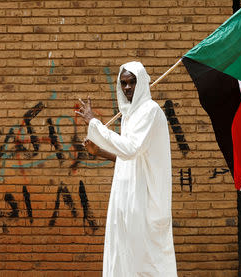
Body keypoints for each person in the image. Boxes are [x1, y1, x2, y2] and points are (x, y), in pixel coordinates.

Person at [76, 61, 177, 276]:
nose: (127, 88)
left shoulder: (150, 111)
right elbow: (130, 160)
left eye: (132, 82)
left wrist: (94, 124)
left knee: (146, 263)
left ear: (141, 83)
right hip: (125, 200)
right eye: (123, 83)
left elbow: (131, 149)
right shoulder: (129, 116)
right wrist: (99, 152)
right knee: (124, 259)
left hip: (143, 203)